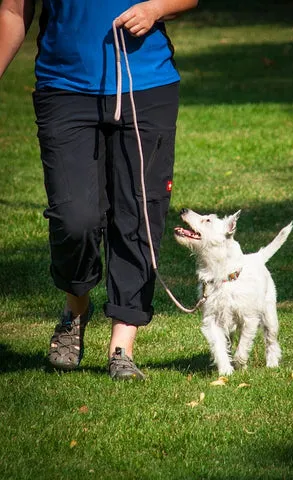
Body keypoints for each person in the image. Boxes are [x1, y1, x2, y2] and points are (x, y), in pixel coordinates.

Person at [0, 0, 198, 380]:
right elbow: (12, 12)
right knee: (74, 218)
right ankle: (76, 309)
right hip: (64, 88)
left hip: (147, 85)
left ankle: (122, 346)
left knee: (138, 214)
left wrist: (156, 8)